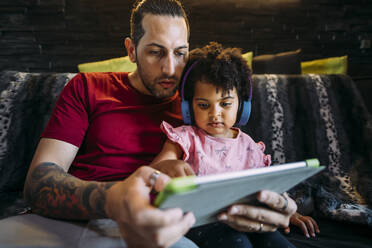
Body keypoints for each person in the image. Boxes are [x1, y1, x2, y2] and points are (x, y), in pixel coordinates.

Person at [22, 0, 299, 247]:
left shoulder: (201, 105)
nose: (170, 69)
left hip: (168, 226)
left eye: (180, 53)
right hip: (85, 219)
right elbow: (38, 182)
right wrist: (118, 198)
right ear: (131, 50)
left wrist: (280, 204)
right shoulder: (87, 87)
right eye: (156, 52)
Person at [150, 42, 320, 247]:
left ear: (243, 105)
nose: (215, 114)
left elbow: (266, 191)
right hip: (200, 223)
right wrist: (166, 167)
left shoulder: (250, 146)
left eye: (225, 104)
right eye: (203, 105)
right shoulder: (184, 138)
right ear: (187, 107)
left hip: (245, 218)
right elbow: (151, 172)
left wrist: (289, 213)